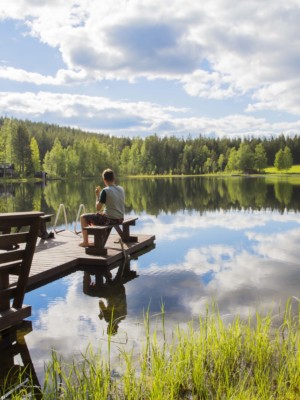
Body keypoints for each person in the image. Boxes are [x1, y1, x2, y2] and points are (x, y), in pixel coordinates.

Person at [79, 168, 125, 247]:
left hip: (109, 220)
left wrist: (97, 195)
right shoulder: (121, 189)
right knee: (100, 214)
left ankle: (85, 242)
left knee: (83, 217)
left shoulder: (105, 191)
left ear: (104, 179)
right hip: (120, 218)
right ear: (114, 178)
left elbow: (98, 208)